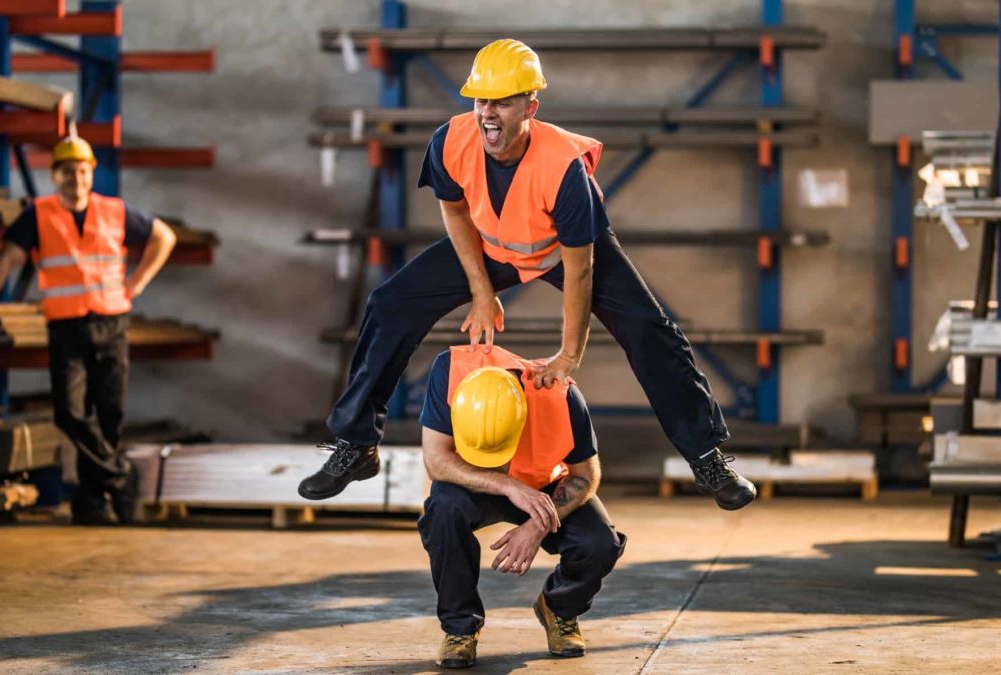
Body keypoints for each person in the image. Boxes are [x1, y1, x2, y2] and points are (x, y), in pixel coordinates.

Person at [300, 39, 755, 511]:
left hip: (562, 252)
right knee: (391, 304)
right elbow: (456, 214)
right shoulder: (450, 140)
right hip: (491, 244)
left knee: (650, 329)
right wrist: (481, 292)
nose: (488, 113)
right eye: (481, 100)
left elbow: (580, 272)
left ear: (530, 107)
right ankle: (356, 445)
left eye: (503, 101)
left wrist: (568, 354)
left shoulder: (563, 170)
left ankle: (706, 457)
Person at [0, 136, 177, 525]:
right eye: (67, 172)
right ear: (54, 175)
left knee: (109, 413)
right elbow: (7, 260)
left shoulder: (113, 211)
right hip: (67, 327)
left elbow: (164, 236)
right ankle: (121, 479)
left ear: (90, 173)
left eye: (82, 171)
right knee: (70, 413)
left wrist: (138, 283)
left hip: (111, 322)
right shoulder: (38, 214)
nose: (75, 179)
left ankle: (91, 501)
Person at [417, 345, 625, 668]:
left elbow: (586, 473)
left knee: (600, 543)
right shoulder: (450, 370)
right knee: (442, 510)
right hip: (478, 482)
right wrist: (506, 484)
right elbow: (436, 461)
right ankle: (460, 628)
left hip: (543, 485)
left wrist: (538, 523)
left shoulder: (562, 397)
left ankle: (558, 607)